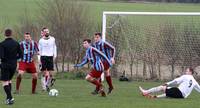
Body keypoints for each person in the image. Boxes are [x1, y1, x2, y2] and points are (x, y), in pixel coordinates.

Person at [0, 29, 22, 105]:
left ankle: (10, 97)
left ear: (5, 34)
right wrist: (14, 58)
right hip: (13, 65)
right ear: (11, 34)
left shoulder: (2, 44)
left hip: (5, 65)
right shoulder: (16, 43)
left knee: (4, 82)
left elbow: (1, 57)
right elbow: (21, 55)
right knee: (9, 80)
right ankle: (8, 99)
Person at [38, 27, 57, 91]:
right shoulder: (41, 40)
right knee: (43, 73)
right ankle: (44, 87)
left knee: (51, 74)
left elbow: (54, 47)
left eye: (47, 31)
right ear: (43, 32)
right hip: (43, 57)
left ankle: (47, 84)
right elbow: (39, 51)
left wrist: (55, 55)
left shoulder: (52, 39)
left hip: (50, 57)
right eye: (45, 31)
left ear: (49, 32)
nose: (46, 32)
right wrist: (39, 60)